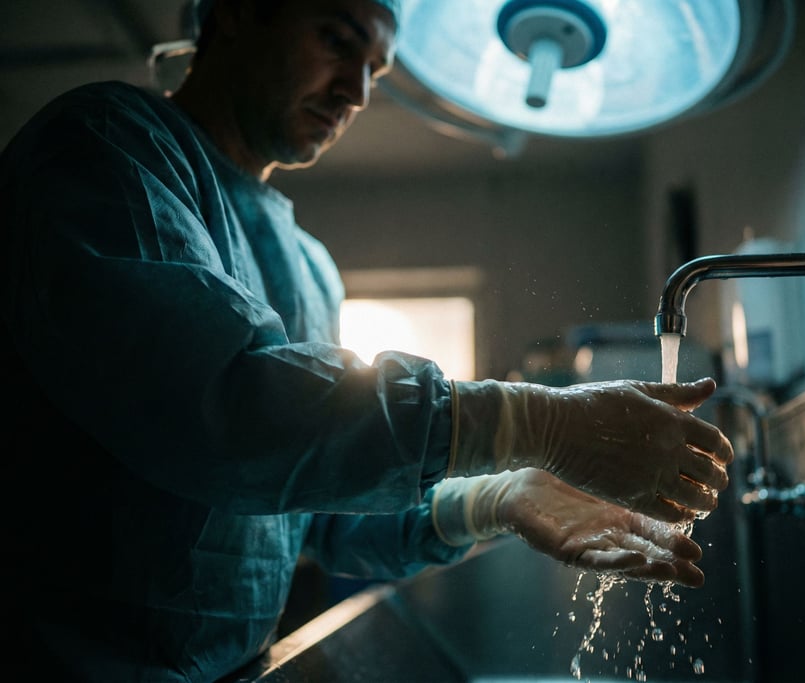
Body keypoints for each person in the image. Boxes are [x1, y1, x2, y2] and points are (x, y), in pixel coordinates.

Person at [0, 0, 734, 681]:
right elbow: (224, 404)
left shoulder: (309, 268)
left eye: (374, 71)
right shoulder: (107, 151)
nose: (354, 92)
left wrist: (493, 499)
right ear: (233, 10)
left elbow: (313, 504)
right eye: (336, 41)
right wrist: (531, 422)